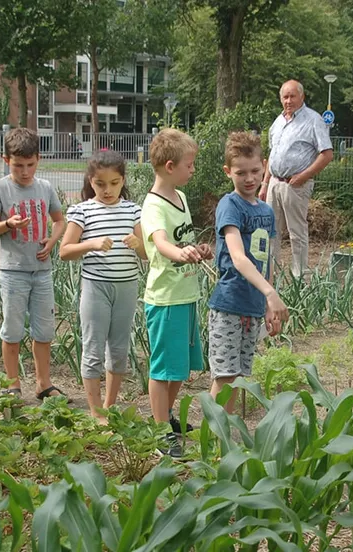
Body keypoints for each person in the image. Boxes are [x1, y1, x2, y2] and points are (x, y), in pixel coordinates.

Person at [141, 128, 213, 458]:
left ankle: (166, 418)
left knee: (179, 367)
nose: (193, 169)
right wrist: (179, 253)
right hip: (165, 299)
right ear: (170, 166)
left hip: (186, 295)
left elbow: (180, 239)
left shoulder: (180, 198)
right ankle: (158, 432)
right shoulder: (153, 204)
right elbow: (160, 241)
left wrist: (195, 249)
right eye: (190, 164)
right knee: (163, 368)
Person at [60, 150, 146, 421]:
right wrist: (91, 244)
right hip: (96, 288)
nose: (107, 190)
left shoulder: (133, 210)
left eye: (114, 183)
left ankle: (109, 406)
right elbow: (65, 251)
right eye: (100, 184)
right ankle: (96, 413)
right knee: (93, 350)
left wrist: (138, 244)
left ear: (123, 180)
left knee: (119, 351)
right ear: (90, 181)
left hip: (126, 287)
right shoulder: (82, 210)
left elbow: (146, 253)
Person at [208, 132, 289, 413]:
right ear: (228, 171)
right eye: (240, 172)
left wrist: (268, 304)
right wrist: (271, 293)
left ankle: (225, 439)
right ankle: (213, 439)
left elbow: (265, 261)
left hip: (253, 308)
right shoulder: (229, 205)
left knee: (238, 377)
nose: (249, 178)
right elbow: (239, 258)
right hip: (229, 305)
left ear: (264, 165)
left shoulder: (266, 211)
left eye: (255, 170)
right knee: (225, 377)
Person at [0, 128, 66, 400]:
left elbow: (59, 221)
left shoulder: (45, 188)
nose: (25, 171)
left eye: (30, 165)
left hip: (42, 271)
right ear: (6, 160)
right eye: (18, 165)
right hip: (13, 271)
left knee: (44, 331)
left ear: (38, 160)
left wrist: (52, 242)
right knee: (13, 329)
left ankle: (43, 384)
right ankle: (12, 384)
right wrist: (8, 224)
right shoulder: (0, 188)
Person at [259, 80, 333, 278]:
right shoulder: (279, 121)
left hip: (295, 185)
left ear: (302, 97)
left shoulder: (313, 120)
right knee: (270, 231)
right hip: (274, 182)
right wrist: (265, 183)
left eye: (292, 96)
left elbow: (326, 154)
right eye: (285, 97)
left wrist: (303, 176)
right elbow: (272, 153)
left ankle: (299, 278)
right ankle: (269, 275)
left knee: (296, 233)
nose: (288, 101)